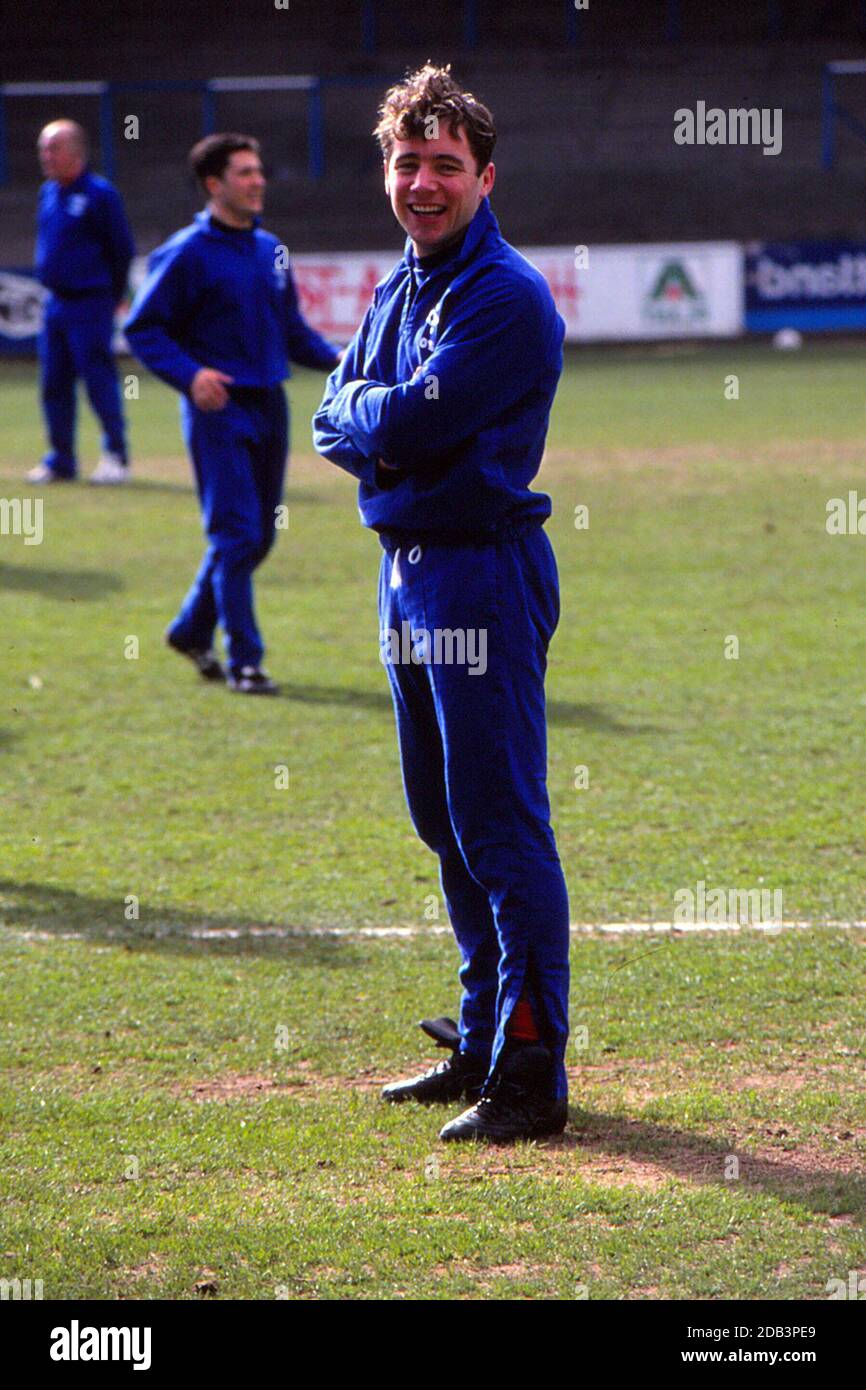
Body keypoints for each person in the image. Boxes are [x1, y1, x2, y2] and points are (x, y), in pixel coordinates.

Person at [313, 65, 570, 1142]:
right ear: (388, 170)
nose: (423, 181)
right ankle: (476, 1036)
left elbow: (406, 429)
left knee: (499, 827)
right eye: (406, 161)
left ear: (483, 175)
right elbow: (333, 417)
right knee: (440, 818)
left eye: (444, 166)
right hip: (406, 571)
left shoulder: (504, 295)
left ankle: (528, 1070)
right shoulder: (398, 286)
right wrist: (380, 422)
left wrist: (378, 425)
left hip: (479, 571)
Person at [124, 133, 340, 694]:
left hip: (271, 404)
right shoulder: (186, 252)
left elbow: (293, 331)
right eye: (244, 172)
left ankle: (191, 629)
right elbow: (143, 329)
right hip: (217, 412)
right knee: (236, 535)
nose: (258, 180)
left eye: (259, 170)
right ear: (213, 184)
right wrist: (190, 375)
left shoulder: (272, 250)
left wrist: (345, 361)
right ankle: (246, 660)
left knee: (258, 538)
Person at [28, 120, 135, 485]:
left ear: (74, 151)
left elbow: (121, 249)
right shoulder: (48, 193)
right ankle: (61, 460)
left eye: (52, 148)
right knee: (53, 384)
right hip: (54, 304)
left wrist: (111, 296)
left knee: (97, 379)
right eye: (43, 148)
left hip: (89, 303)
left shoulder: (100, 194)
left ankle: (115, 455)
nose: (45, 156)